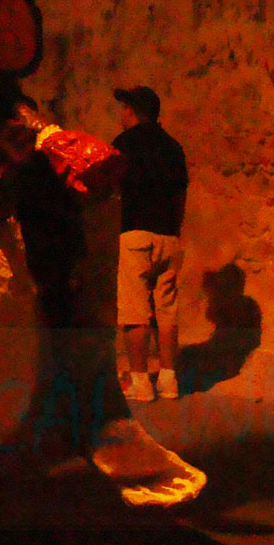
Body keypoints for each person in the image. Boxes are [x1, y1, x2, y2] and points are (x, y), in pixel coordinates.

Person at [112, 85, 188, 402]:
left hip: (135, 235)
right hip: (169, 236)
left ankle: (141, 382)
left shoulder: (122, 145)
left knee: (135, 311)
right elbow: (181, 194)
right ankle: (169, 380)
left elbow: (110, 191)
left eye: (123, 108)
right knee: (166, 311)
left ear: (131, 111)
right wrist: (174, 230)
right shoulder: (174, 147)